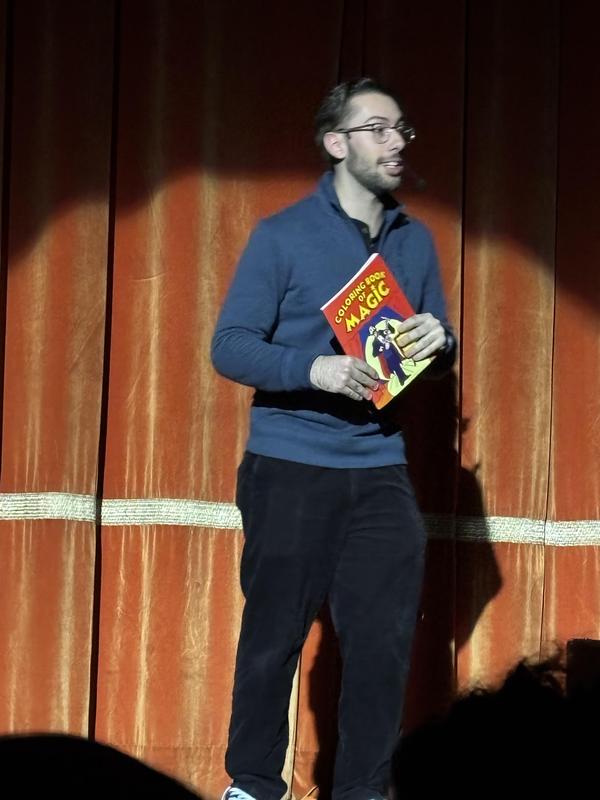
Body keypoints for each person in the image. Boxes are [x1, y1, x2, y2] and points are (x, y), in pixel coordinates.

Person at [211, 77, 457, 800]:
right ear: (336, 143)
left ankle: (364, 792)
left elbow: (433, 362)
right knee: (273, 640)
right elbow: (229, 346)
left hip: (380, 464)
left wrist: (439, 341)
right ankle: (254, 784)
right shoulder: (281, 236)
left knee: (381, 649)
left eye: (402, 130)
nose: (395, 142)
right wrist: (311, 368)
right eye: (377, 128)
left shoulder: (415, 242)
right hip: (290, 462)